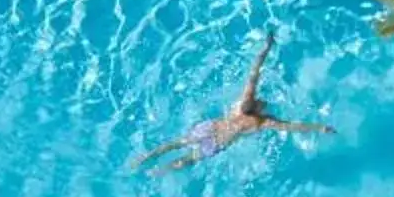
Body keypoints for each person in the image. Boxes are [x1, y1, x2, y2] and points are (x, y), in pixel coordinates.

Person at [135, 32, 332, 173]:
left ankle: (146, 157)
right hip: (218, 141)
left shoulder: (243, 104)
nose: (263, 103)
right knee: (188, 159)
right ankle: (160, 171)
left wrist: (265, 49)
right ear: (257, 107)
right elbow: (292, 127)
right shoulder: (261, 122)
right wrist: (319, 128)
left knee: (176, 143)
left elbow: (253, 74)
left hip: (209, 128)